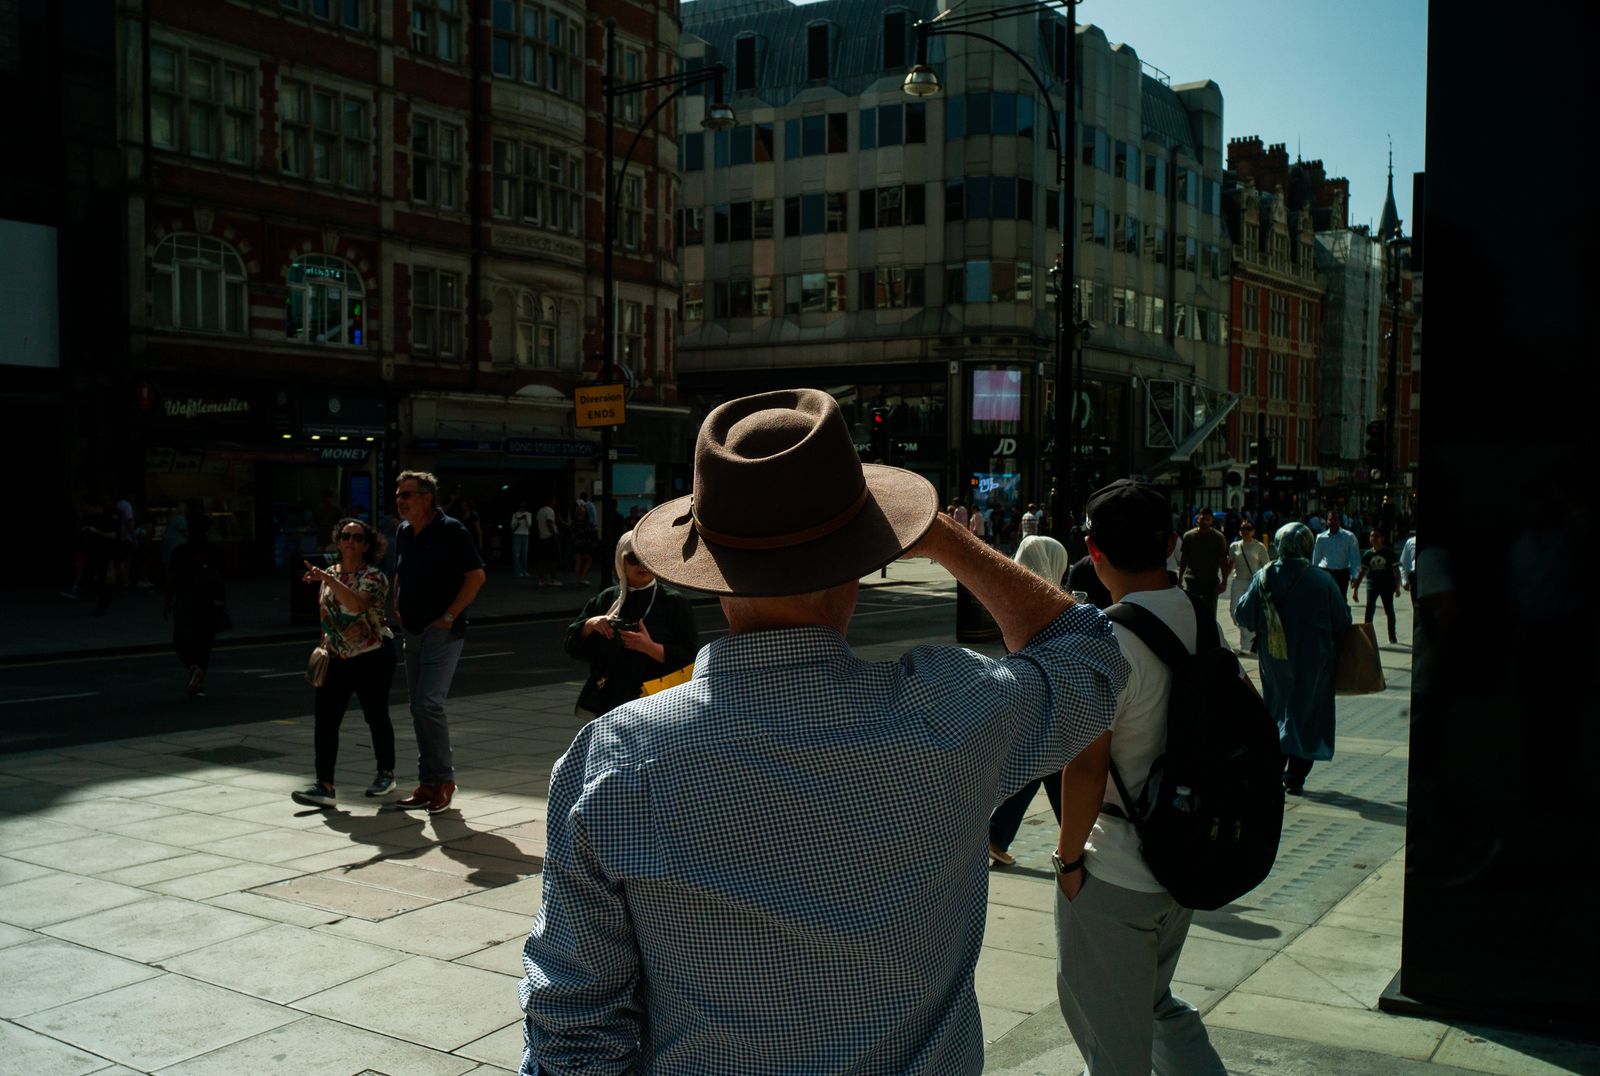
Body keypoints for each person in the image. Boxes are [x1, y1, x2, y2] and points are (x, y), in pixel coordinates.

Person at [519, 388, 1129, 1074]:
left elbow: (573, 1028)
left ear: (711, 574)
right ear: (861, 566)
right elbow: (1091, 659)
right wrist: (942, 535)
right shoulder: (950, 710)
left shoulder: (617, 758)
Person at [1053, 479, 1228, 1076]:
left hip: (1116, 869)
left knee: (1111, 1047)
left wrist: (1069, 862)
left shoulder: (1106, 639)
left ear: (1092, 551)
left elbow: (1085, 766)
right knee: (1154, 1004)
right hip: (1182, 859)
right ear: (1174, 544)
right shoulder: (1202, 620)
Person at [392, 470, 486, 814]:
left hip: (442, 633)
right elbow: (401, 570)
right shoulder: (404, 531)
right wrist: (396, 601)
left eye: (407, 495)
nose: (400, 500)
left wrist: (449, 616)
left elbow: (476, 576)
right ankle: (427, 784)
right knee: (417, 708)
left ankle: (444, 781)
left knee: (428, 704)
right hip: (412, 631)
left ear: (426, 498)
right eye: (398, 494)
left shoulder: (451, 531)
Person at [1235, 522, 1351, 794]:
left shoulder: (1265, 576)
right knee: (1309, 712)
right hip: (1316, 660)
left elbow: (1244, 615)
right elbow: (1342, 620)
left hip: (1275, 660)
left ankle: (1274, 766)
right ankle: (1296, 776)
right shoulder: (1322, 579)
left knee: (1278, 708)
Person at [291, 517, 399, 807]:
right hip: (337, 657)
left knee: (375, 715)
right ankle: (324, 785)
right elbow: (328, 616)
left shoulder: (374, 576)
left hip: (372, 655)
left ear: (367, 545)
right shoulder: (329, 573)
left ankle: (385, 773)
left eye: (358, 537)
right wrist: (325, 647)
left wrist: (328, 580)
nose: (351, 542)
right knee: (325, 721)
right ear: (338, 542)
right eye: (346, 536)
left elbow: (356, 604)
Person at [987, 534, 1073, 865]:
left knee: (1043, 768)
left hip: (1028, 701)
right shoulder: (1044, 605)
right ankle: (1077, 843)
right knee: (1055, 767)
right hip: (1044, 699)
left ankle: (997, 835)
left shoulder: (1012, 596)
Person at [565, 530, 699, 717]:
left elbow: (692, 656)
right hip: (611, 701)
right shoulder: (607, 599)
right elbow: (572, 647)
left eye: (648, 557)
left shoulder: (673, 601)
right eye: (634, 558)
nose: (643, 565)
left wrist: (650, 647)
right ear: (621, 561)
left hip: (657, 702)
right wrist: (590, 624)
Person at [165, 515, 222, 697]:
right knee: (205, 643)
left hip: (187, 600)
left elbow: (172, 578)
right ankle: (198, 681)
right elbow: (220, 577)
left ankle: (193, 667)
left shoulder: (181, 551)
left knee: (181, 640)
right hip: (209, 601)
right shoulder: (213, 550)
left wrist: (167, 601)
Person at [1178, 509, 1231, 620]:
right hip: (1192, 580)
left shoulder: (1218, 538)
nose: (1204, 522)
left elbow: (1223, 561)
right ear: (1198, 519)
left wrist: (1224, 581)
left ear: (1211, 520)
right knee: (1192, 611)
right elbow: (1184, 559)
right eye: (1202, 519)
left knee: (1210, 614)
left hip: (1211, 582)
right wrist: (1180, 578)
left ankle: (1210, 635)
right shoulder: (1189, 536)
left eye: (1207, 519)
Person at [1227, 519, 1271, 653]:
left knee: (1250, 612)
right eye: (1242, 528)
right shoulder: (1234, 546)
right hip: (1238, 581)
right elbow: (1230, 564)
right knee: (1235, 612)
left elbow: (1266, 566)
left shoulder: (1259, 547)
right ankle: (1248, 637)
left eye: (1248, 528)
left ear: (1253, 531)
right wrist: (1223, 580)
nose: (1245, 531)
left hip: (1253, 583)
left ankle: (1247, 644)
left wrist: (1265, 584)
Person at [1353, 528, 1401, 644]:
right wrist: (1356, 589)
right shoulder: (1367, 554)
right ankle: (1367, 635)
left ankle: (1392, 635)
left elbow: (1397, 571)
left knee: (1389, 610)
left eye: (1376, 536)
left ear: (1382, 538)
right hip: (1372, 585)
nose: (1373, 538)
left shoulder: (1389, 553)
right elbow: (1362, 572)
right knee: (1369, 609)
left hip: (1387, 585)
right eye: (1372, 536)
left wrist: (1398, 586)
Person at [1312, 512, 1360, 596]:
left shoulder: (1349, 537)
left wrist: (1354, 576)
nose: (1333, 522)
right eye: (1330, 520)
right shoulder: (1321, 538)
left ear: (1340, 521)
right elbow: (1316, 558)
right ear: (1327, 521)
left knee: (1341, 600)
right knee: (1326, 599)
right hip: (1326, 573)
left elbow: (1354, 558)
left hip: (1342, 573)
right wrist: (1314, 575)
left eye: (1335, 520)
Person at [568, 497, 598, 587]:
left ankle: (578, 579)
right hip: (585, 543)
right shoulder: (585, 522)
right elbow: (588, 532)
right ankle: (582, 578)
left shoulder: (574, 522)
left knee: (578, 560)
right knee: (588, 559)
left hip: (577, 543)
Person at [534, 493, 561, 586]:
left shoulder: (540, 511)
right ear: (551, 501)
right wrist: (554, 534)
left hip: (542, 537)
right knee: (553, 559)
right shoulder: (550, 511)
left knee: (541, 559)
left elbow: (537, 524)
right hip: (549, 537)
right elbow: (549, 523)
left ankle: (541, 579)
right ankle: (553, 579)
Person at [509, 502, 533, 578]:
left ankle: (524, 571)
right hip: (517, 535)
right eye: (521, 506)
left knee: (524, 553)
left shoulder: (529, 514)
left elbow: (529, 525)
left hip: (525, 535)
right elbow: (512, 527)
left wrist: (525, 519)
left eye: (524, 507)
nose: (522, 508)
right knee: (516, 554)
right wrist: (517, 522)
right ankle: (518, 571)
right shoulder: (515, 514)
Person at [1399, 532, 1417, 607]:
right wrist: (1404, 580)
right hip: (1415, 576)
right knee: (1416, 605)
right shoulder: (1411, 542)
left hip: (1429, 576)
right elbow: (1404, 562)